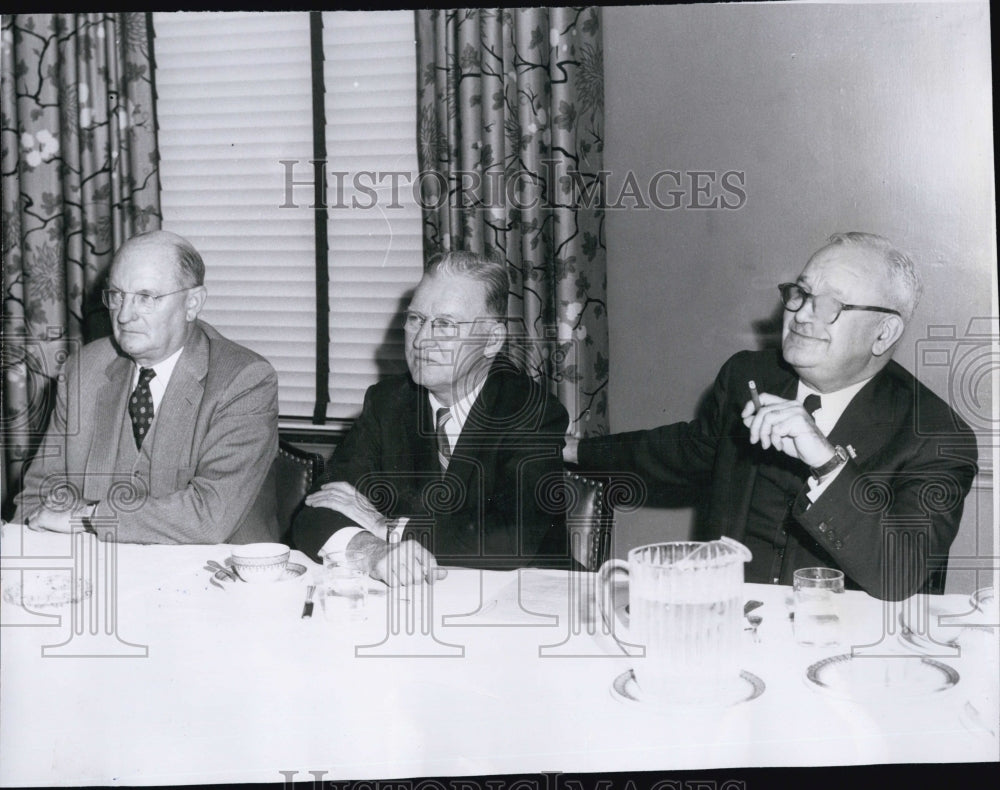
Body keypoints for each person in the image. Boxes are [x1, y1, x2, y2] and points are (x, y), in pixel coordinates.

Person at [565, 232, 978, 600]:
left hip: (842, 652)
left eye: (830, 304)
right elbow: (683, 451)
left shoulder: (935, 434)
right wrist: (575, 451)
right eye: (801, 293)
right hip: (729, 626)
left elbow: (901, 573)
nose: (800, 314)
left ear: (884, 333)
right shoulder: (748, 375)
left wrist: (827, 461)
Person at [293, 251, 571, 585]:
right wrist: (372, 551)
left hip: (526, 599)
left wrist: (388, 528)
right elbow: (316, 510)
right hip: (416, 595)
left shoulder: (531, 411)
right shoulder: (387, 403)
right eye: (416, 319)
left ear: (492, 340)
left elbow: (511, 540)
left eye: (446, 325)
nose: (422, 341)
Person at [13, 230, 280, 543]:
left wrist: (88, 518)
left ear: (192, 303)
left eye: (146, 297)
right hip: (102, 569)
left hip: (210, 573)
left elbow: (209, 517)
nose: (125, 315)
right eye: (117, 296)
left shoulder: (244, 380)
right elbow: (37, 496)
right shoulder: (84, 369)